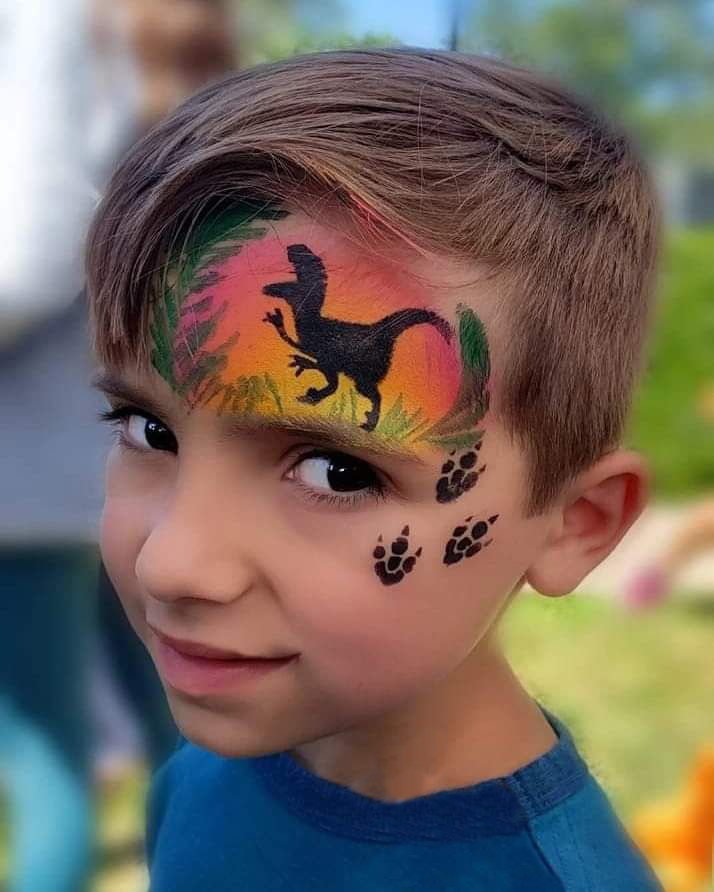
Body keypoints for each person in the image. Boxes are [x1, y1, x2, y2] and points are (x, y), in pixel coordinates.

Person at [85, 49, 664, 890]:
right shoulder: (205, 772)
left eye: (337, 471)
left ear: (578, 524)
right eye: (150, 430)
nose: (170, 565)